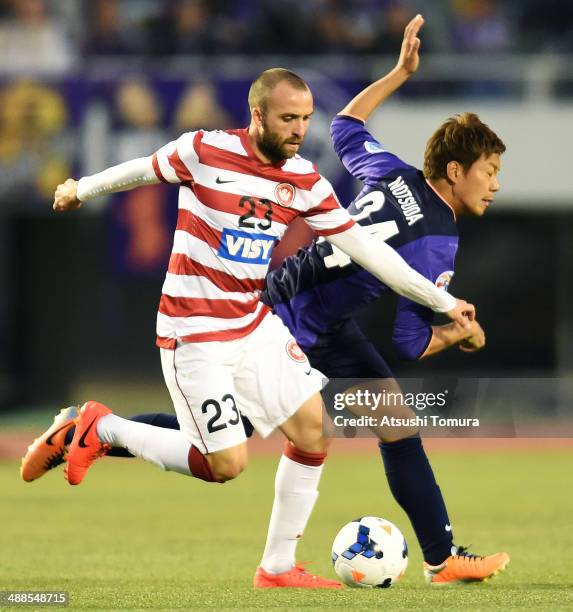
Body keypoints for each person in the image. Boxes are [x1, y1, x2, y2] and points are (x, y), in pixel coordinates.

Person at [35, 58, 474, 590]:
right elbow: (143, 168)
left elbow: (367, 250)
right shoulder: (205, 150)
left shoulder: (303, 180)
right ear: (257, 115)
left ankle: (279, 568)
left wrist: (441, 302)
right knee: (225, 464)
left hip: (251, 321)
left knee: (313, 427)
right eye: (289, 119)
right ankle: (101, 426)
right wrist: (79, 188)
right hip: (193, 331)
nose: (298, 131)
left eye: (306, 119)